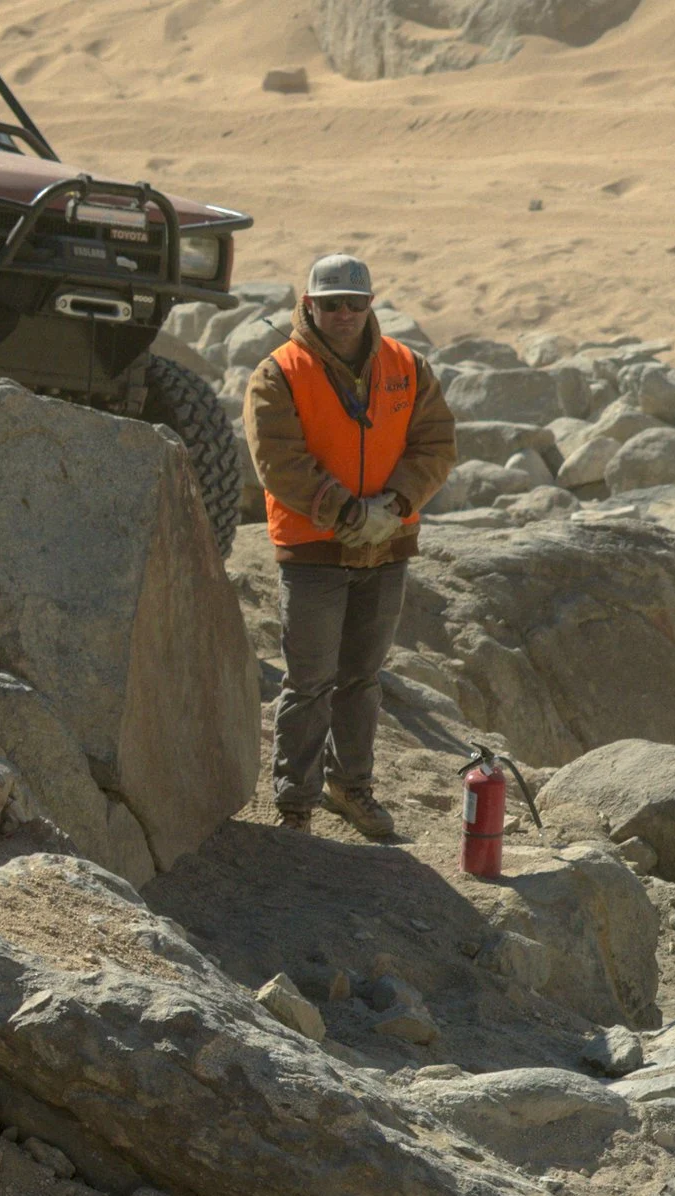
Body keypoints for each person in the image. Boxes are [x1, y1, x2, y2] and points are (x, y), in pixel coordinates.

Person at [243, 252, 456, 840]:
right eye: (330, 303)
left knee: (363, 679)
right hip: (314, 551)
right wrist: (343, 512)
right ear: (309, 304)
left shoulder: (407, 366)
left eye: (353, 303)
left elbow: (435, 443)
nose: (342, 313)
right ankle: (295, 805)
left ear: (370, 304)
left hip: (385, 548)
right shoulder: (278, 373)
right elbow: (277, 461)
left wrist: (394, 508)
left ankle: (352, 787)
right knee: (309, 683)